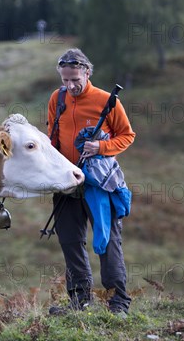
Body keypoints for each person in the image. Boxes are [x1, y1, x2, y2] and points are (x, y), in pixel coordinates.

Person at [47, 48, 136, 315]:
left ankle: (118, 303)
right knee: (70, 243)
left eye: (75, 79)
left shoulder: (106, 101)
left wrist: (100, 147)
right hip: (66, 183)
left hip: (100, 185)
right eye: (65, 80)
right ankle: (80, 302)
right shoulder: (57, 98)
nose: (71, 86)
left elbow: (127, 135)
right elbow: (52, 138)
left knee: (107, 243)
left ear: (87, 72)